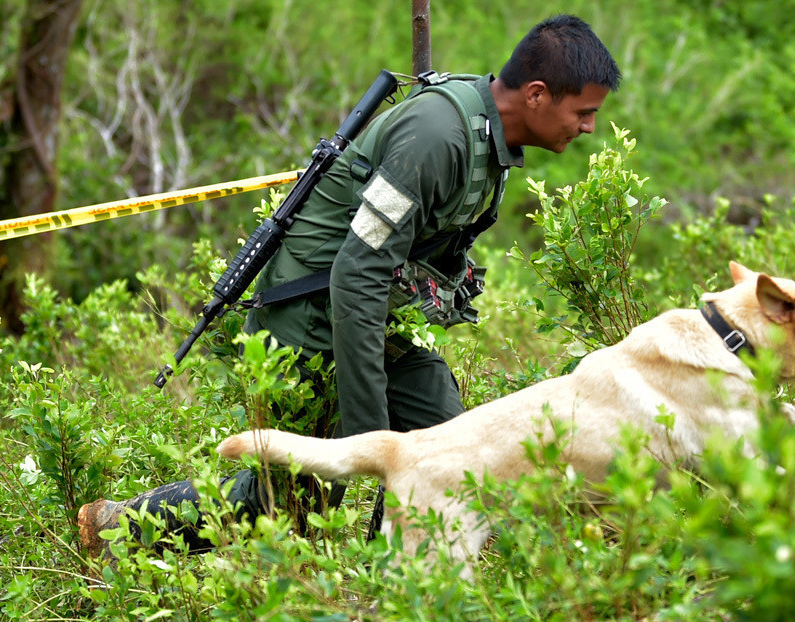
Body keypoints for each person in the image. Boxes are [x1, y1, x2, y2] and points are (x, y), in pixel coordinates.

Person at [77, 13, 621, 558]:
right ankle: (116, 525)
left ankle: (401, 587)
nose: (590, 127)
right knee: (283, 504)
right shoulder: (438, 137)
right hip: (309, 314)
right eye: (584, 112)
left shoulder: (487, 137)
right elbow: (355, 271)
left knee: (458, 458)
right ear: (536, 95)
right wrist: (369, 438)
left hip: (369, 312)